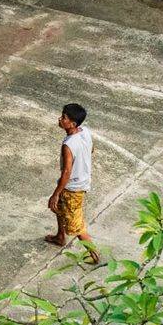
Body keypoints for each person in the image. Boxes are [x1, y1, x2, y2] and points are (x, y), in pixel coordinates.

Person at [45, 103, 99, 264]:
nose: (60, 119)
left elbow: (66, 172)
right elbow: (92, 149)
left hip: (73, 188)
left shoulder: (68, 145)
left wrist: (55, 194)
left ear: (72, 124)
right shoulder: (85, 132)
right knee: (60, 208)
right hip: (82, 181)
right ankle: (60, 236)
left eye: (64, 118)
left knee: (76, 225)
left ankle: (95, 254)